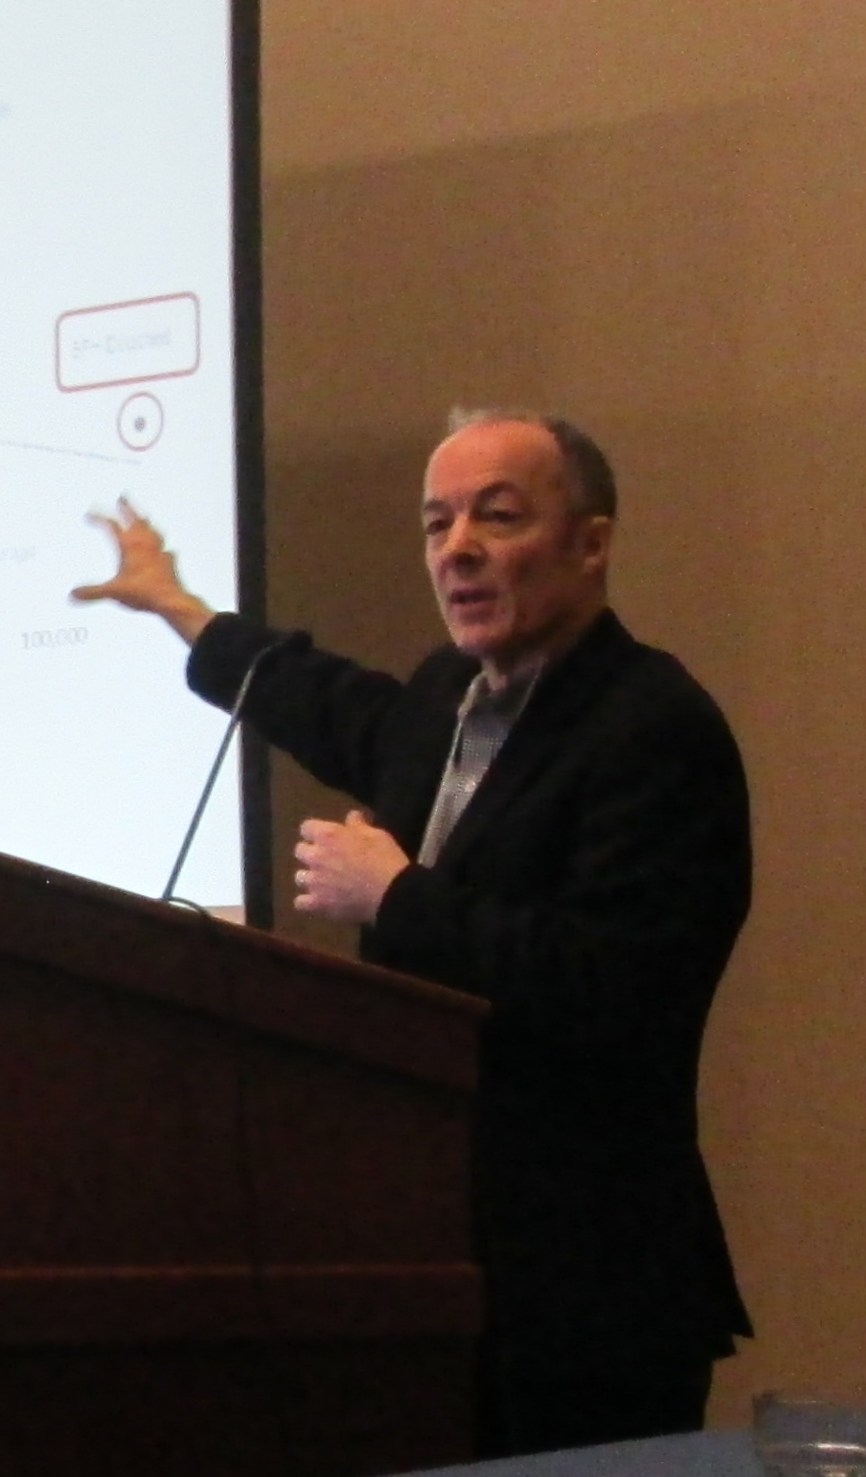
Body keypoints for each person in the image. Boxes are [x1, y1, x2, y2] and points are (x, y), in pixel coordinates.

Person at [73, 410, 752, 1457]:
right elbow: (327, 699)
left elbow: (617, 984)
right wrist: (178, 605)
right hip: (428, 1265)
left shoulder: (653, 726)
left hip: (581, 1287)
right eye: (438, 523)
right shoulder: (447, 699)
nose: (457, 548)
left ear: (591, 543)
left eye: (498, 516)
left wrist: (396, 898)